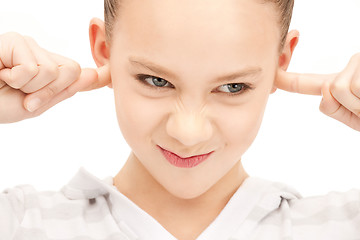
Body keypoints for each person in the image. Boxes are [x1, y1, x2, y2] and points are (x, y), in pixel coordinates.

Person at [0, 0, 359, 239]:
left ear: (282, 60)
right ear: (104, 49)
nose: (189, 133)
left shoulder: (342, 226)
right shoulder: (19, 223)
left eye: (233, 87)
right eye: (157, 81)